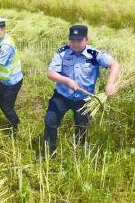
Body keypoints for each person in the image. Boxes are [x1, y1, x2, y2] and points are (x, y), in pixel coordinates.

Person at [42, 24, 120, 159]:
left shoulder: (94, 54)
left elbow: (114, 64)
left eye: (79, 40)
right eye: (72, 40)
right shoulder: (61, 53)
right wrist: (66, 81)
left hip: (84, 99)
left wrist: (110, 84)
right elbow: (50, 73)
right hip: (62, 96)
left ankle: (78, 149)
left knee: (82, 125)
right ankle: (49, 153)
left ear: (86, 39)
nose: (75, 44)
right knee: (50, 121)